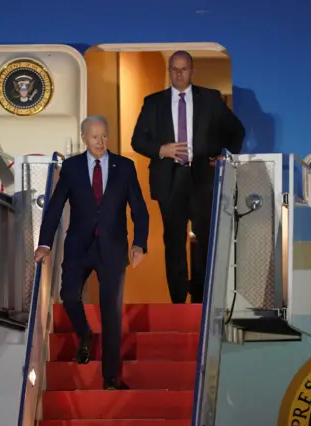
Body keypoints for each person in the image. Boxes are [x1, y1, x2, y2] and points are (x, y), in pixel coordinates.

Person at [34, 115, 149, 390]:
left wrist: (139, 243)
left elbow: (139, 208)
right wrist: (45, 243)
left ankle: (111, 378)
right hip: (79, 246)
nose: (100, 142)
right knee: (69, 295)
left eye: (104, 136)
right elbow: (55, 207)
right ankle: (85, 333)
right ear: (84, 137)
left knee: (111, 313)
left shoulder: (125, 166)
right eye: (94, 137)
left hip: (112, 248)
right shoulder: (71, 167)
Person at [131, 50, 245, 304]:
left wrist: (225, 155)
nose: (179, 73)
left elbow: (236, 130)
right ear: (169, 71)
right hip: (169, 179)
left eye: (183, 69)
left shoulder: (210, 99)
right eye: (174, 69)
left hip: (202, 177)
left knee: (205, 237)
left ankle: (201, 297)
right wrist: (162, 150)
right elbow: (137, 140)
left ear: (192, 71)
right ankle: (178, 299)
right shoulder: (153, 102)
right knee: (173, 240)